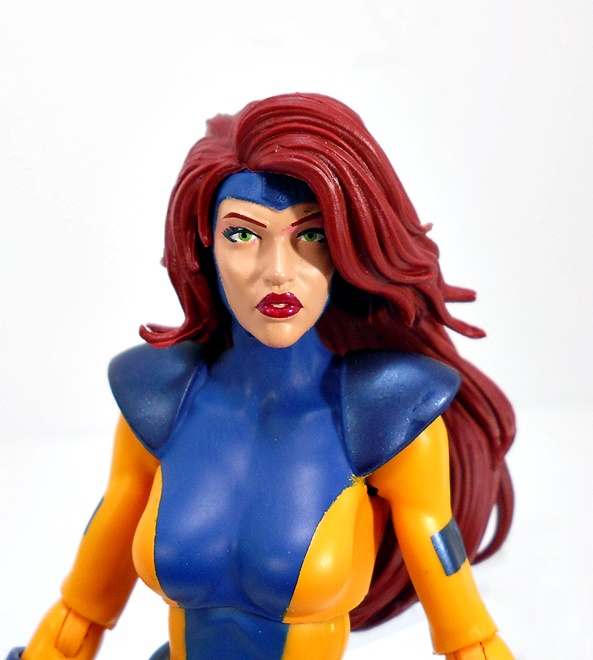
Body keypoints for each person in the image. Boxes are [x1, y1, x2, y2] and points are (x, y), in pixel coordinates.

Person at [9, 93, 515, 659]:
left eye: (311, 236)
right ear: (204, 243)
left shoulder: (380, 418)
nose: (278, 272)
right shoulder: (163, 401)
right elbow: (84, 601)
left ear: (346, 249)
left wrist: (479, 647)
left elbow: (455, 600)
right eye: (243, 235)